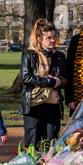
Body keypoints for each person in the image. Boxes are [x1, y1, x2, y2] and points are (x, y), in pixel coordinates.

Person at [20, 19, 67, 148]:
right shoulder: (30, 55)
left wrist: (60, 81)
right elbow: (26, 77)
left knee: (51, 142)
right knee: (33, 143)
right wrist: (50, 81)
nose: (52, 40)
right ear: (40, 38)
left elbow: (65, 79)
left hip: (53, 105)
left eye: (54, 37)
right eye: (48, 38)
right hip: (34, 105)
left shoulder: (60, 56)